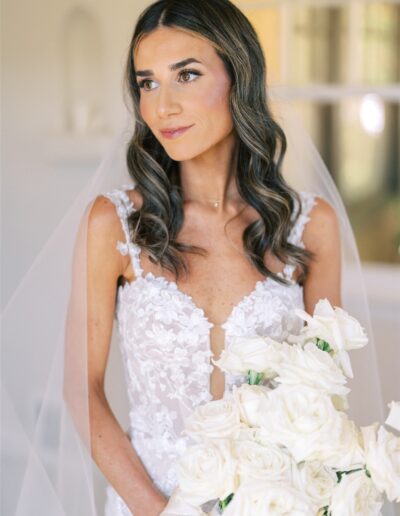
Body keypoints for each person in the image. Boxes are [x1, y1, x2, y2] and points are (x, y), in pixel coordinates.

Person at [2, 1, 387, 515]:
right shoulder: (114, 224)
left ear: (239, 77)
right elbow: (81, 389)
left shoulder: (309, 227)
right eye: (148, 83)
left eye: (186, 74)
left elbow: (322, 399)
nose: (162, 106)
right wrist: (162, 512)